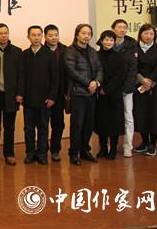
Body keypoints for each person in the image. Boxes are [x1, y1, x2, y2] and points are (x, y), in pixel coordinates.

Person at [64, 23, 103, 166]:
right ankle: (74, 152)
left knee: (88, 124)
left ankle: (85, 150)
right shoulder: (70, 51)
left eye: (89, 34)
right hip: (78, 94)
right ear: (77, 34)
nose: (86, 36)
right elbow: (71, 71)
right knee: (77, 124)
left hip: (92, 94)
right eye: (83, 33)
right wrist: (89, 83)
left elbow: (100, 69)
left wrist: (96, 82)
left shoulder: (92, 51)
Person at [132, 24, 157, 156]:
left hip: (155, 86)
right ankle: (144, 142)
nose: (149, 36)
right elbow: (133, 67)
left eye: (151, 34)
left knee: (155, 114)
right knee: (141, 114)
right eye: (146, 33)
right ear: (140, 34)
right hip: (139, 86)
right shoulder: (134, 48)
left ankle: (152, 144)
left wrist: (150, 81)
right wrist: (142, 80)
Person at [0, 23, 24, 166]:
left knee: (9, 127)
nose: (3, 36)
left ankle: (9, 154)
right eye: (0, 33)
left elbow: (21, 75)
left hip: (11, 95)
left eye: (5, 33)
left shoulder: (17, 51)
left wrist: (20, 93)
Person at [20, 26, 57, 165]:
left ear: (42, 36)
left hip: (44, 99)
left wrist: (52, 96)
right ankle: (30, 153)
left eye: (38, 35)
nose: (36, 38)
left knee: (43, 127)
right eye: (33, 35)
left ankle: (42, 153)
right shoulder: (24, 54)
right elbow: (21, 76)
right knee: (28, 128)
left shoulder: (49, 54)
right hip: (28, 98)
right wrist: (20, 94)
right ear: (28, 37)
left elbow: (55, 78)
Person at [94, 30, 127, 160]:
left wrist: (107, 89)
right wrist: (100, 88)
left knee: (114, 123)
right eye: (106, 40)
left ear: (114, 42)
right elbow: (94, 73)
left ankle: (113, 149)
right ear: (101, 41)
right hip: (99, 94)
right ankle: (103, 148)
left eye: (111, 40)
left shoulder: (120, 57)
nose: (109, 42)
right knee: (101, 122)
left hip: (114, 94)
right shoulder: (96, 56)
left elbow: (121, 76)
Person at [111, 19, 138, 158]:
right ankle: (111, 145)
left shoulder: (132, 46)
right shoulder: (107, 43)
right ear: (113, 29)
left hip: (126, 88)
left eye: (124, 27)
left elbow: (133, 69)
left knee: (128, 117)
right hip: (111, 89)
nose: (122, 30)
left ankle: (128, 146)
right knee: (111, 116)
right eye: (119, 27)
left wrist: (127, 87)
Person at [43, 24, 67, 161]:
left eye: (56, 35)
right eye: (50, 35)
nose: (54, 38)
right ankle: (43, 149)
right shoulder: (41, 51)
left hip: (60, 93)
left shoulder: (66, 51)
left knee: (58, 123)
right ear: (45, 37)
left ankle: (55, 150)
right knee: (43, 124)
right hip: (44, 94)